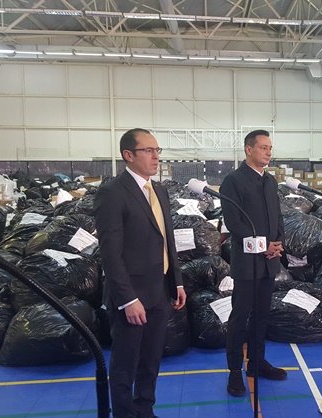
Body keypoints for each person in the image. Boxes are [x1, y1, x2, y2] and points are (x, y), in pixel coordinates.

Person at [94, 128, 187, 418]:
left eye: (158, 150)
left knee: (151, 359)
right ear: (128, 155)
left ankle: (145, 409)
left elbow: (167, 241)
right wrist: (127, 299)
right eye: (148, 150)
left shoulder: (159, 191)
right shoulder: (112, 193)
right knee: (125, 364)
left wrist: (177, 282)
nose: (156, 156)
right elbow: (110, 254)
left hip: (160, 291)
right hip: (131, 296)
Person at [220, 129, 287, 397]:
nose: (268, 152)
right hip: (247, 263)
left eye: (270, 148)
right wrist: (263, 246)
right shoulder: (233, 181)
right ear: (249, 150)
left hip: (269, 262)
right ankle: (234, 370)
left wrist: (278, 243)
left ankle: (256, 363)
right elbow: (234, 223)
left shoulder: (270, 181)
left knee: (261, 316)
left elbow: (277, 216)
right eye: (263, 147)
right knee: (240, 318)